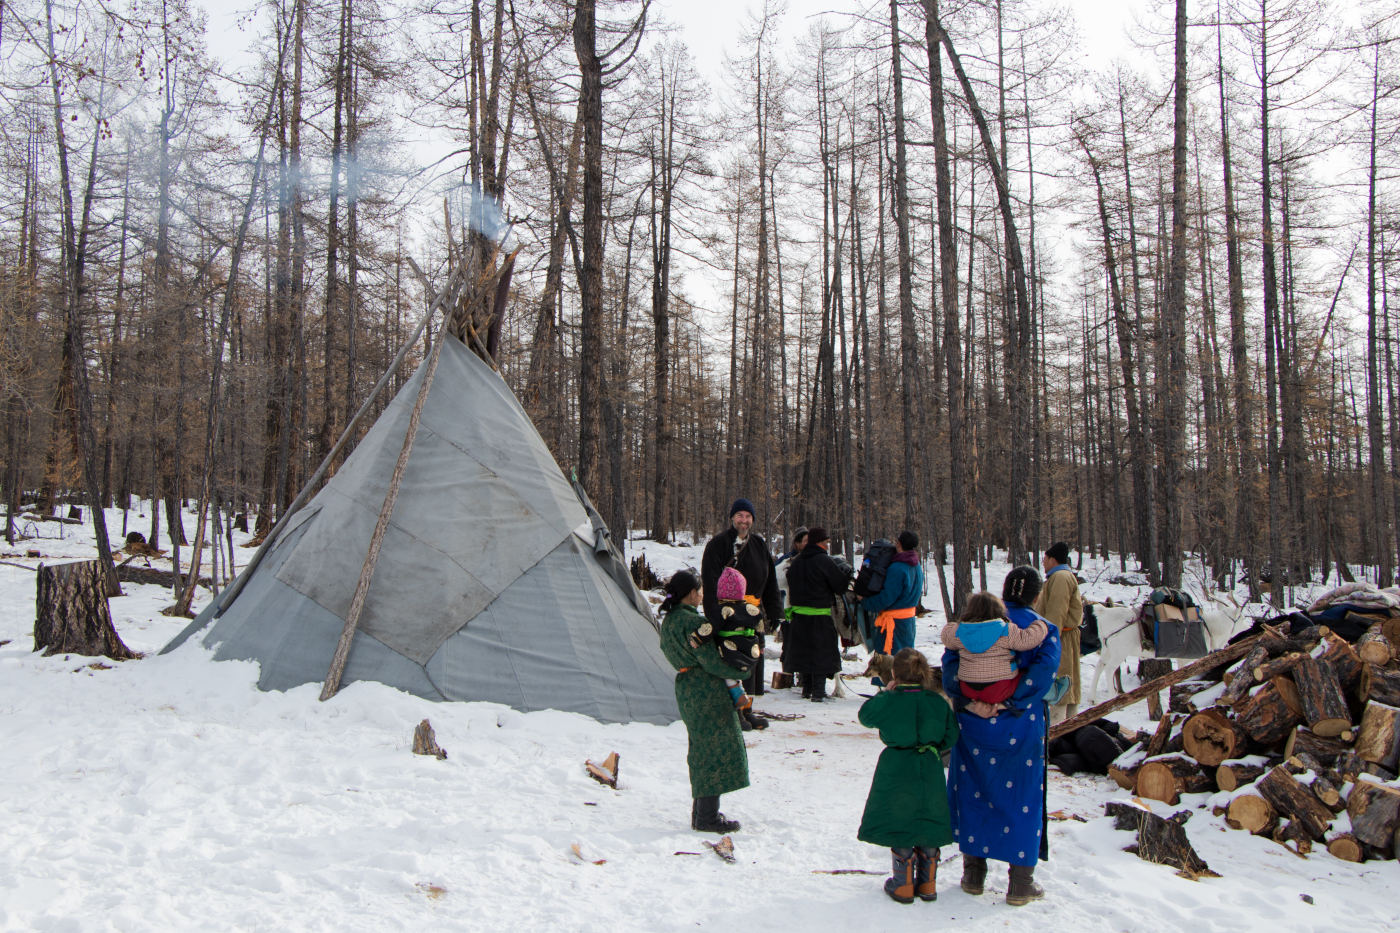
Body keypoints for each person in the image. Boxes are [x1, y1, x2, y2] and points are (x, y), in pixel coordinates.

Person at [943, 566, 1061, 906]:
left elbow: (950, 668)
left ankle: (973, 874)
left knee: (973, 788)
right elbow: (1043, 674)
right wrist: (1010, 700)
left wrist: (970, 700)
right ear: (1036, 596)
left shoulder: (971, 626)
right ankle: (1020, 884)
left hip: (972, 721)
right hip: (1020, 724)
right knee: (1022, 794)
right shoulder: (1043, 629)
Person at [857, 648, 958, 904]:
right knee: (929, 816)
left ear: (894, 673)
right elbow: (951, 735)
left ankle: (903, 884)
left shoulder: (890, 700)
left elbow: (865, 716)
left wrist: (886, 693)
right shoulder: (935, 701)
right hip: (929, 765)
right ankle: (928, 882)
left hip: (897, 765)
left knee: (900, 816)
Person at [658, 570, 750, 833]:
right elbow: (712, 661)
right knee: (716, 750)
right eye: (699, 591)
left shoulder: (670, 621)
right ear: (690, 593)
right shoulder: (693, 623)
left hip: (686, 687)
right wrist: (742, 671)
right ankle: (707, 817)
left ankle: (701, 812)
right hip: (706, 689)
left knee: (700, 748)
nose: (701, 595)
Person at [702, 498, 783, 722]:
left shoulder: (759, 545)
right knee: (732, 662)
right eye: (740, 516)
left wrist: (776, 612)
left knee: (751, 661)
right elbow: (709, 583)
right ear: (732, 518)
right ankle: (732, 713)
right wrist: (714, 616)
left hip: (753, 614)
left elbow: (770, 582)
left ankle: (747, 710)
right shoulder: (718, 545)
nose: (744, 521)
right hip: (728, 615)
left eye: (748, 517)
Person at [941, 591, 1048, 718]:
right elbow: (1027, 640)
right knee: (1026, 674)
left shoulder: (960, 631)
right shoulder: (1005, 630)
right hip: (1000, 689)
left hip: (968, 689)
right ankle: (1047, 693)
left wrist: (954, 625)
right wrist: (1040, 625)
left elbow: (946, 636)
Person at [782, 526, 851, 702]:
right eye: (826, 543)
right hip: (820, 615)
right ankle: (819, 692)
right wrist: (846, 575)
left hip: (798, 617)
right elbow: (840, 586)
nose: (828, 546)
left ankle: (807, 688)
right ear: (819, 542)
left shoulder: (796, 562)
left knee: (804, 652)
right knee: (821, 654)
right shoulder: (824, 561)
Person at [1035, 542, 1084, 727]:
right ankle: (1069, 723)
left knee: (1061, 680)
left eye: (1045, 559)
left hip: (1060, 638)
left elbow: (1057, 611)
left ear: (1052, 559)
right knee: (1067, 682)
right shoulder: (1059, 577)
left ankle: (1058, 726)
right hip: (1060, 636)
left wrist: (1048, 639)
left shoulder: (1061, 578)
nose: (1044, 563)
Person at [858, 530, 924, 655]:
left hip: (894, 625)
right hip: (908, 622)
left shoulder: (898, 568)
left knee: (888, 665)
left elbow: (886, 598)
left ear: (899, 544)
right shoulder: (916, 565)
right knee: (906, 660)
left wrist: (865, 602)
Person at [708, 566, 763, 712]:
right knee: (746, 675)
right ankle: (747, 709)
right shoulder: (751, 609)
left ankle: (736, 693)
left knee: (725, 670)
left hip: (728, 650)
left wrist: (698, 639)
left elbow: (711, 629)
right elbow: (760, 628)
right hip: (750, 651)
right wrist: (760, 644)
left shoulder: (722, 610)